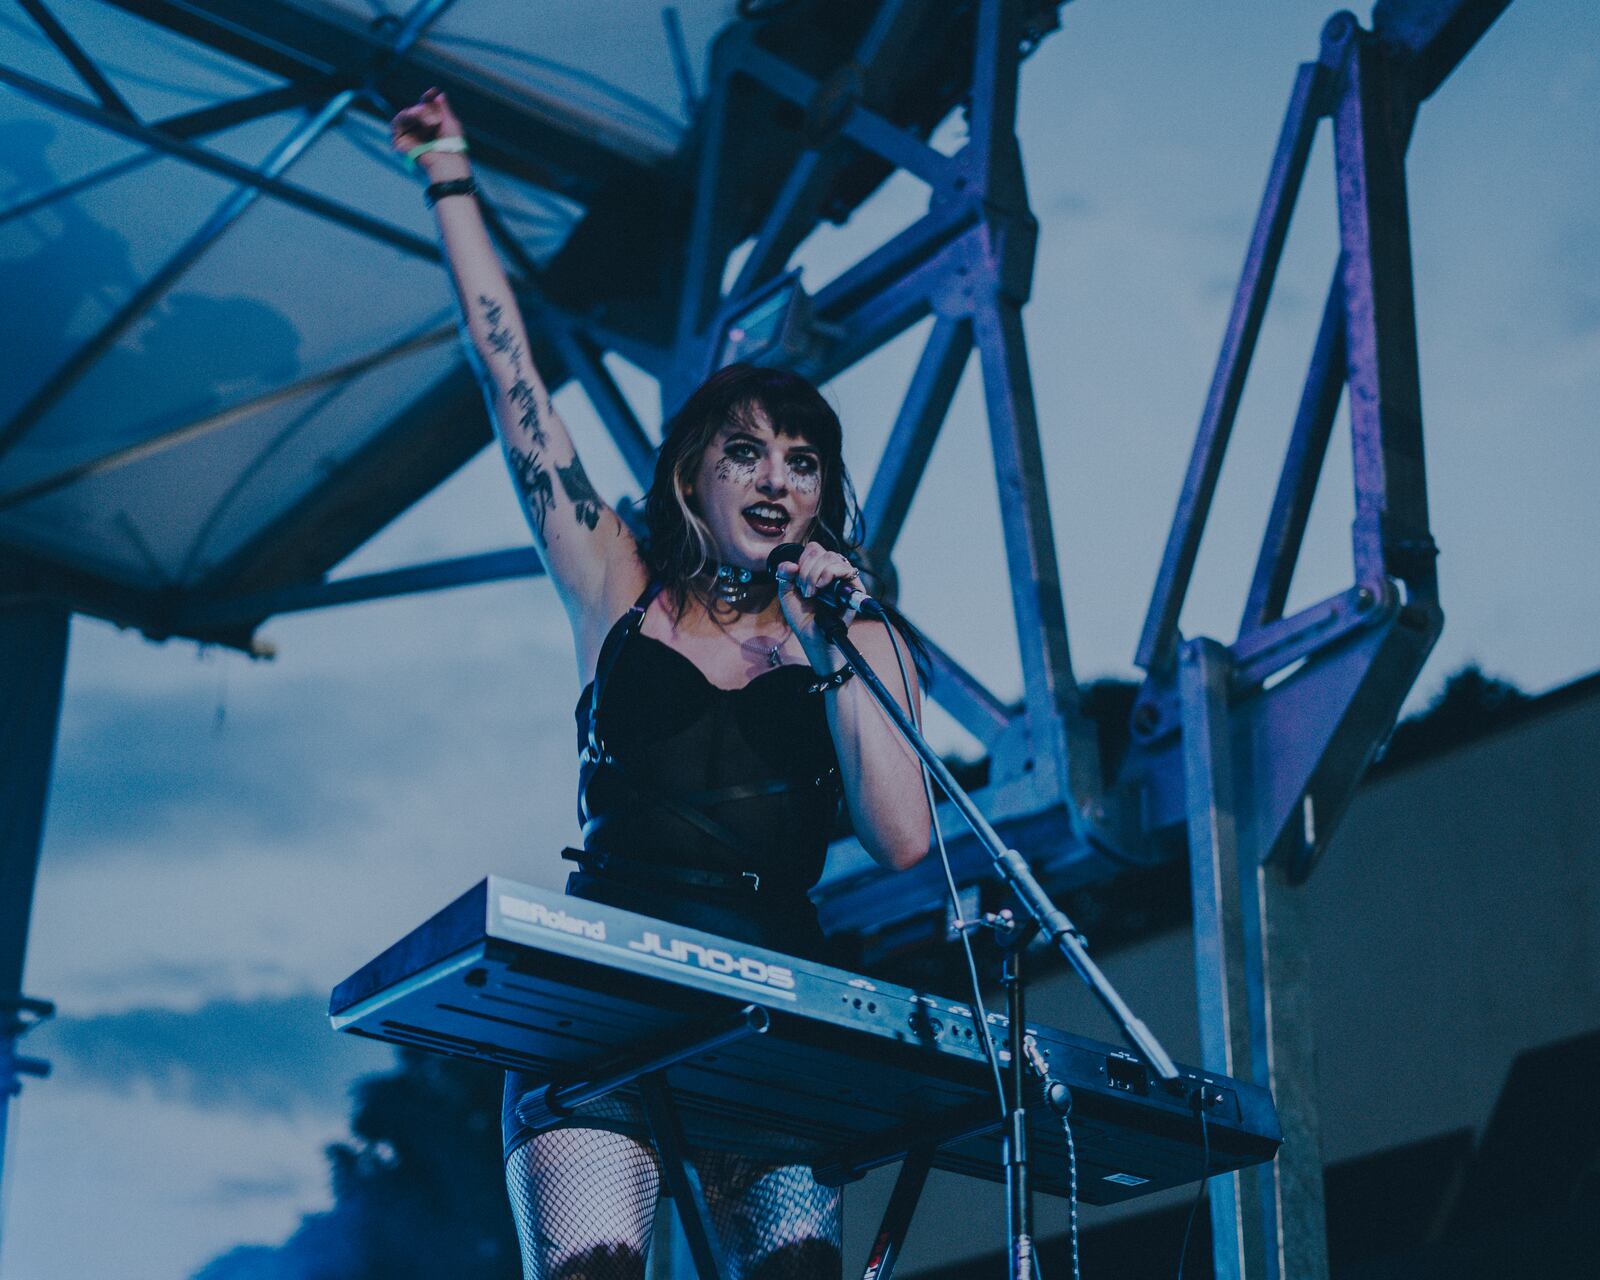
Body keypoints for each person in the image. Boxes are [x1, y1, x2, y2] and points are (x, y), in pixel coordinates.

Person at [392, 88, 931, 1280]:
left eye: (802, 461)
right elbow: (509, 377)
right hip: (603, 1003)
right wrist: (449, 181)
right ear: (693, 477)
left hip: (778, 1011)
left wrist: (834, 633)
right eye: (745, 450)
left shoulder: (857, 634)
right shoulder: (616, 582)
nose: (777, 476)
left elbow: (903, 841)